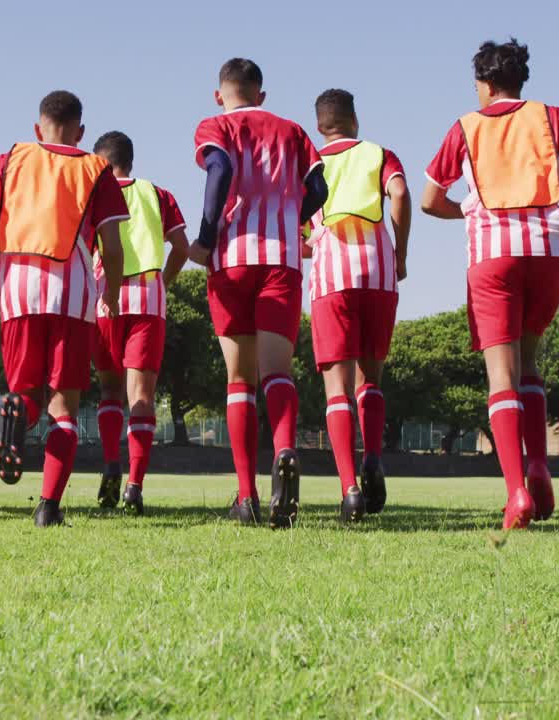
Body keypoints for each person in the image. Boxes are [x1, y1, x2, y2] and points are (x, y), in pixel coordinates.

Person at [421, 39, 559, 529]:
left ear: (483, 84)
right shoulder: (550, 116)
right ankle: (539, 467)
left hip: (493, 255)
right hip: (548, 251)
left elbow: (428, 200)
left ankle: (516, 494)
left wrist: (466, 209)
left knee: (500, 376)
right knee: (530, 362)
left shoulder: (466, 127)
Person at [0, 91, 128, 527]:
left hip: (18, 293)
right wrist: (110, 292)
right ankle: (49, 506)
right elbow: (112, 245)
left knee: (27, 396)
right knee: (64, 407)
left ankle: (14, 414)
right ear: (81, 132)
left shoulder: (10, 160)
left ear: (38, 127)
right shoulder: (96, 169)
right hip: (72, 295)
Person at [189, 58, 327, 527]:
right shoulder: (292, 131)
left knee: (239, 379)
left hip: (231, 259)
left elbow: (220, 168)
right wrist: (291, 215)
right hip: (281, 259)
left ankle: (246, 496)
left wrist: (206, 237)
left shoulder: (215, 125)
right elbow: (319, 188)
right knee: (277, 372)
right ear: (261, 94)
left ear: (219, 94)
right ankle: (285, 448)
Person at [306, 89, 411, 523]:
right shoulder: (378, 154)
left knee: (338, 387)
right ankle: (372, 458)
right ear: (355, 119)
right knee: (371, 378)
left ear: (319, 126)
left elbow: (302, 227)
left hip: (333, 277)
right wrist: (400, 254)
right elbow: (400, 193)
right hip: (378, 274)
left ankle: (349, 488)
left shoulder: (309, 160)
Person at [90, 131, 189, 516]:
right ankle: (134, 485)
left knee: (109, 390)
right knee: (142, 397)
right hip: (148, 301)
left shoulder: (94, 194)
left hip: (105, 299)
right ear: (130, 160)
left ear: (102, 163)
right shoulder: (158, 195)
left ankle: (110, 464)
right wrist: (164, 282)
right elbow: (181, 247)